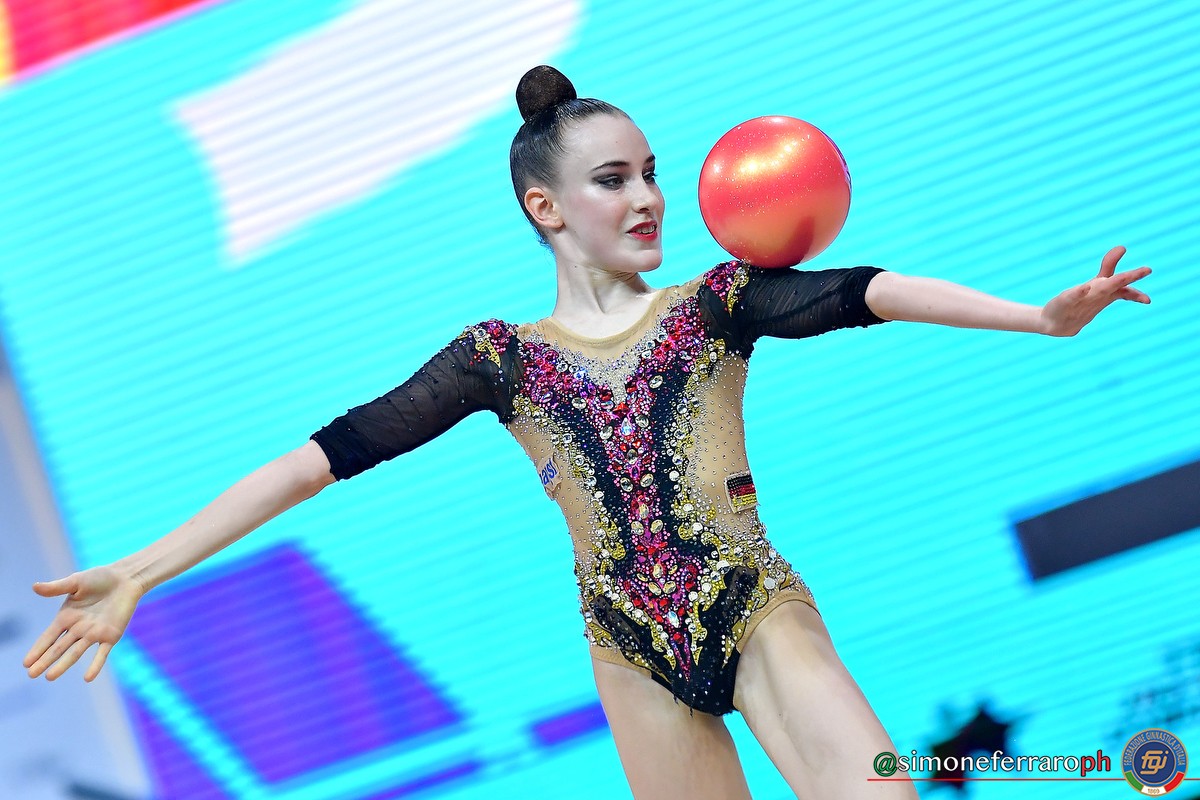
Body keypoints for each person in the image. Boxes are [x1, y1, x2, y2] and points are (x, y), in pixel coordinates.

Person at [23, 65, 1151, 799]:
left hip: (752, 608)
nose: (649, 197)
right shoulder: (499, 359)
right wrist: (142, 571)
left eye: (652, 173)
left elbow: (862, 291)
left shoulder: (714, 305)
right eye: (615, 179)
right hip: (627, 649)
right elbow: (317, 461)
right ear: (546, 208)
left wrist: (1038, 317)